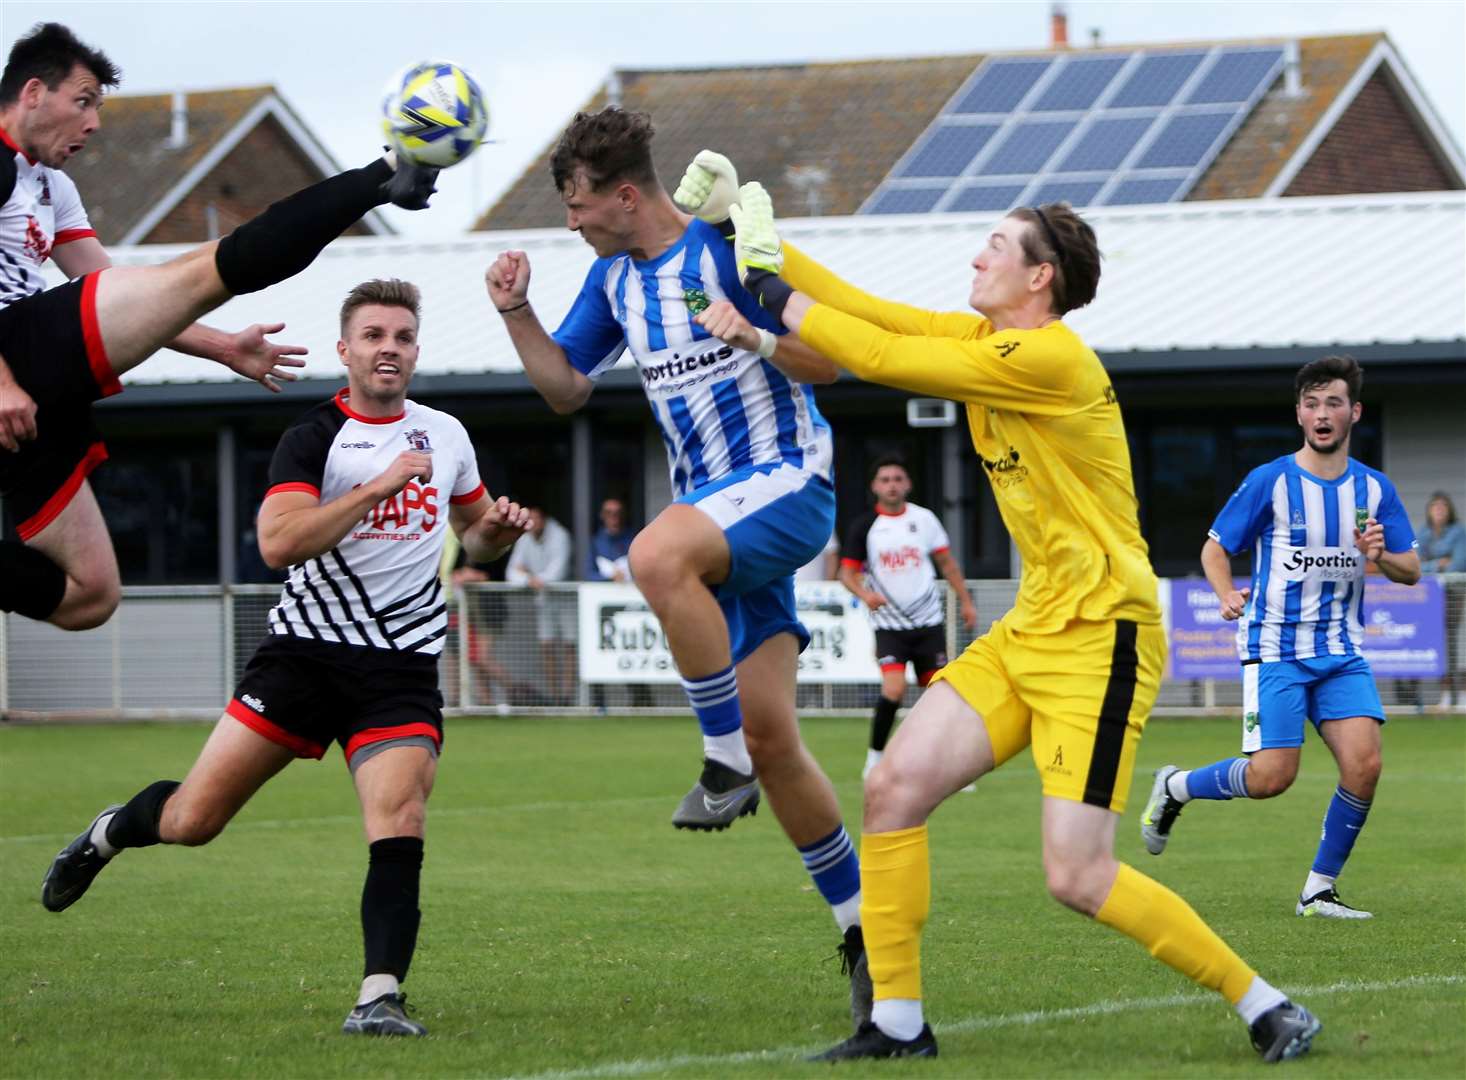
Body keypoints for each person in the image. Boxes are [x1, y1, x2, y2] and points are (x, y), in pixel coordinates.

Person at [677, 151, 1320, 1064]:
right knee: (891, 789)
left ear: (1038, 276)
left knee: (1078, 874)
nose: (976, 262)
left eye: (993, 249)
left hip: (1103, 637)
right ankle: (897, 1023)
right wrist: (747, 237)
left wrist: (769, 297)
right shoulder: (990, 345)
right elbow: (874, 312)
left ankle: (1265, 1003)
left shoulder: (1049, 355)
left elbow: (883, 354)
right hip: (1031, 628)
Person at [40, 278, 530, 1037]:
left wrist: (502, 528)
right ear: (345, 351)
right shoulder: (313, 437)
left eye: (401, 336)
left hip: (399, 666)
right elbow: (277, 543)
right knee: (194, 820)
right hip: (303, 657)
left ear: (416, 349)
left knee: (400, 817)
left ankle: (378, 996)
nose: (388, 348)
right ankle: (110, 832)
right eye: (373, 336)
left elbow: (475, 538)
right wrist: (375, 489)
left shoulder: (446, 434)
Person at [484, 109, 870, 1031]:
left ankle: (719, 757)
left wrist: (757, 335)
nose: (570, 222)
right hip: (723, 525)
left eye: (578, 205)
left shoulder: (732, 249)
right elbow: (566, 388)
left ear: (624, 195)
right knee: (781, 742)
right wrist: (515, 311)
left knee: (653, 555)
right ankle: (870, 944)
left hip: (788, 485)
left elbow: (839, 360)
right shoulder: (612, 279)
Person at [0, 22, 441, 632]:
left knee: (90, 597)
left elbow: (118, 293)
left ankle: (377, 179)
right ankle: (381, 175)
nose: (95, 123)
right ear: (31, 93)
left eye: (99, 107)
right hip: (11, 358)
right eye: (83, 103)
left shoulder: (51, 187)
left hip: (34, 383)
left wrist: (223, 347)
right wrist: (1, 381)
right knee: (215, 268)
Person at [1141, 356, 1422, 920]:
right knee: (1272, 778)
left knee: (1364, 765)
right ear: (1299, 413)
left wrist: (1380, 555)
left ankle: (1318, 890)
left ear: (1354, 412)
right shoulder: (1270, 480)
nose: (1323, 414)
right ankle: (1175, 787)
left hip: (1342, 651)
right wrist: (1224, 594)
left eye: (1334, 403)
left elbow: (1411, 569)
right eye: (1313, 403)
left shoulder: (1374, 487)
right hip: (1275, 649)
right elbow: (1215, 548)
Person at [839, 455, 977, 779]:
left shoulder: (924, 519)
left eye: (898, 478)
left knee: (941, 695)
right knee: (894, 689)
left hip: (928, 622)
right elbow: (846, 574)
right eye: (885, 479)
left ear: (908, 484)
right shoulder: (864, 527)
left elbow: (947, 564)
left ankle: (948, 763)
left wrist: (967, 602)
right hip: (890, 624)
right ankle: (875, 757)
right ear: (875, 486)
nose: (892, 485)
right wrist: (865, 594)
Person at [505, 505, 576, 706]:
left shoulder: (560, 535)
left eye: (537, 518)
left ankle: (568, 696)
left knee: (569, 646)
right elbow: (511, 573)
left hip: (565, 599)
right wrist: (529, 579)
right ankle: (555, 697)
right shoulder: (525, 537)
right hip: (543, 600)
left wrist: (528, 575)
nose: (533, 523)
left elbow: (557, 573)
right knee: (547, 647)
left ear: (544, 519)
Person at [1418, 492, 1466, 707]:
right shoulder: (1423, 533)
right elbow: (1415, 564)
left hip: (1455, 593)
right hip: (1430, 596)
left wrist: (1431, 564)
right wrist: (1438, 565)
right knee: (1437, 641)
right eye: (1435, 507)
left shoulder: (1458, 532)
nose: (1438, 511)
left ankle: (1462, 694)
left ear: (1449, 511)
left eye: (1443, 507)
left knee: (1456, 642)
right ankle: (1444, 694)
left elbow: (1457, 565)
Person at [586, 495, 633, 582]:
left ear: (623, 515)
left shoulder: (633, 539)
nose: (614, 518)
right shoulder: (595, 542)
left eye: (618, 513)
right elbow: (589, 574)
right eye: (608, 513)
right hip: (604, 592)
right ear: (602, 515)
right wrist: (610, 578)